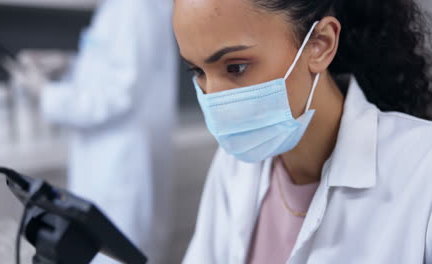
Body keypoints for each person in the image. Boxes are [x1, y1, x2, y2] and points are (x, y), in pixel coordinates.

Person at [173, 0, 432, 263]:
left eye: (236, 67)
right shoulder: (235, 166)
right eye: (198, 71)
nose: (214, 98)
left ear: (320, 44)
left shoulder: (423, 171)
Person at [9, 1, 178, 263]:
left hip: (122, 168)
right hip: (102, 165)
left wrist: (46, 92)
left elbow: (119, 95)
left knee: (118, 254)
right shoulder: (114, 8)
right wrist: (67, 64)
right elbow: (108, 71)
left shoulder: (135, 8)